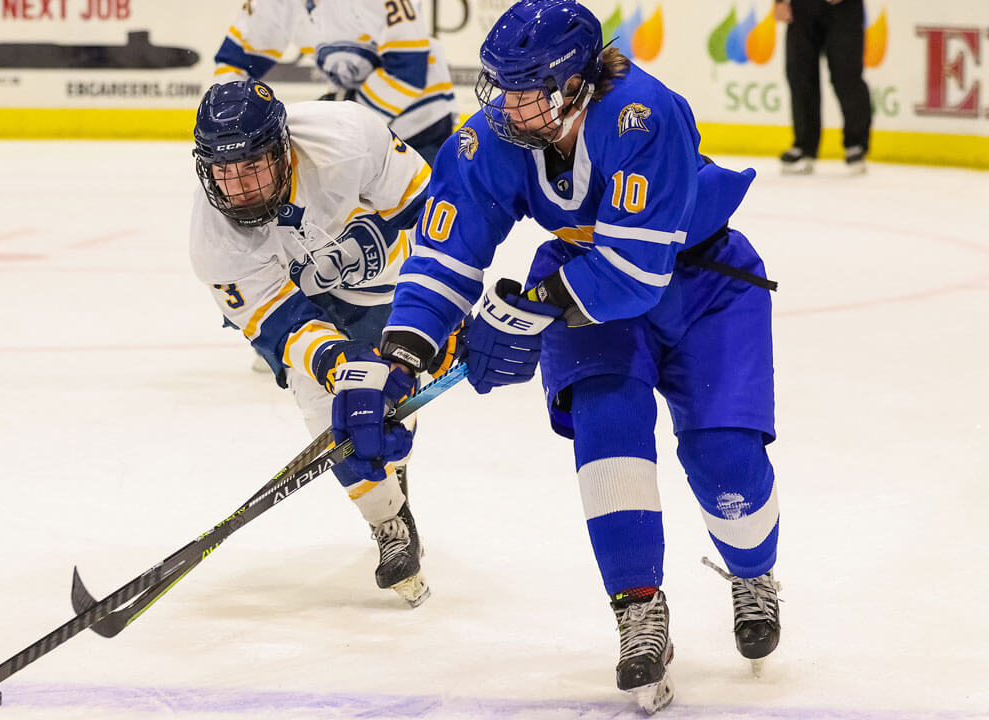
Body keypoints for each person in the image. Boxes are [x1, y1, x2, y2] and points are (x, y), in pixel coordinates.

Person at [332, 0, 782, 713]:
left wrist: (528, 310)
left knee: (724, 460)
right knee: (608, 427)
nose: (511, 105)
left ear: (577, 82)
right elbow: (444, 254)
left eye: (529, 90)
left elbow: (636, 273)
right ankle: (638, 613)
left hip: (701, 285)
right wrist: (401, 353)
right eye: (503, 87)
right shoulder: (492, 139)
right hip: (577, 281)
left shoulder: (643, 113)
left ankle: (753, 570)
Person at [189, 79, 445, 608]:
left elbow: (432, 205)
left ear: (283, 150)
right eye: (225, 173)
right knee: (336, 417)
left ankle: (392, 474)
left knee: (388, 401)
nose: (241, 188)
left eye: (252, 167)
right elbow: (280, 320)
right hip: (299, 300)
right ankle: (389, 522)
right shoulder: (212, 241)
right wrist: (334, 360)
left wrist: (386, 247)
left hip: (384, 284)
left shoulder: (346, 137)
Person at [210, 0, 458, 164]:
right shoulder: (274, 4)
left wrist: (343, 120)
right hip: (358, 131)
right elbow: (235, 64)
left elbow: (407, 73)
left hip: (421, 126)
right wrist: (229, 124)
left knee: (422, 231)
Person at [774, 0, 873, 174]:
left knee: (846, 75)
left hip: (844, 7)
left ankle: (855, 143)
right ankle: (804, 146)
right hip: (801, 7)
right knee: (800, 75)